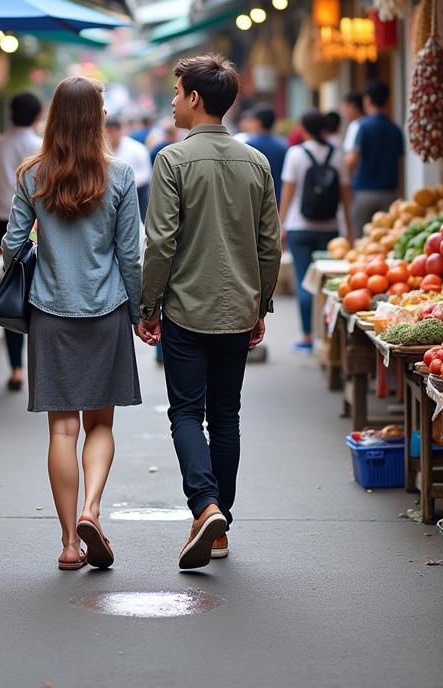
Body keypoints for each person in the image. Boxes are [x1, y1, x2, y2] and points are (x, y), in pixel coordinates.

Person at [139, 54, 281, 569]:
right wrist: (261, 303)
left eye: (177, 93)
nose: (173, 102)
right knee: (226, 416)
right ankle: (219, 530)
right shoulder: (257, 163)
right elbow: (270, 244)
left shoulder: (173, 161)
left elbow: (159, 242)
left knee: (185, 413)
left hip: (184, 309)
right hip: (238, 310)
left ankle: (204, 506)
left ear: (195, 99)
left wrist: (147, 305)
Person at [2, 77, 142, 572]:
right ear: (99, 117)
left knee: (62, 430)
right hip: (106, 312)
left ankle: (67, 543)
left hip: (49, 312)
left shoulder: (33, 174)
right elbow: (131, 255)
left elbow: (12, 246)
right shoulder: (120, 175)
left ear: (54, 116)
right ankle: (92, 509)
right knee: (100, 422)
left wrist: (41, 254)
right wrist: (142, 313)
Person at [0, 92, 43, 391]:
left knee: (11, 289)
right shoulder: (41, 146)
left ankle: (16, 368)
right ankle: (40, 365)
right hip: (37, 223)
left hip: (3, 222)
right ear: (37, 115)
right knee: (37, 290)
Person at [278, 111, 352, 352]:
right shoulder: (337, 154)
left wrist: (281, 224)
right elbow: (345, 197)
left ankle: (307, 337)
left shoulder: (296, 153)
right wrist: (348, 228)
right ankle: (327, 338)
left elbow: (288, 192)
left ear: (304, 128)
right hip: (329, 227)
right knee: (327, 284)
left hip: (300, 227)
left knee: (304, 281)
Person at [347, 79, 404, 238]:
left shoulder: (362, 126)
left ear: (367, 99)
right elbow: (400, 165)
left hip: (363, 193)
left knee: (361, 242)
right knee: (386, 241)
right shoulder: (395, 129)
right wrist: (399, 193)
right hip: (389, 193)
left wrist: (347, 189)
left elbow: (351, 160)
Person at [106, 116, 153, 218]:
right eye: (107, 132)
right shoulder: (102, 150)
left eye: (112, 131)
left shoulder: (137, 149)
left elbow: (146, 173)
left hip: (137, 192)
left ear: (119, 131)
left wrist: (126, 183)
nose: (110, 136)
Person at [244, 106, 288, 207]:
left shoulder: (248, 145)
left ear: (258, 122)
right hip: (278, 198)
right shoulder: (284, 144)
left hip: (255, 199)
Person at [341, 91, 365, 157]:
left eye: (345, 106)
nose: (342, 110)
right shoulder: (368, 123)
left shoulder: (355, 126)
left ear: (352, 106)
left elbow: (351, 158)